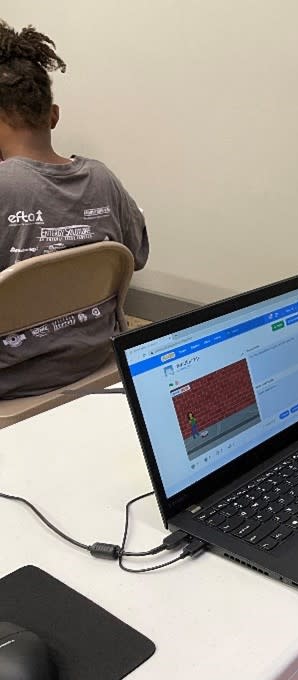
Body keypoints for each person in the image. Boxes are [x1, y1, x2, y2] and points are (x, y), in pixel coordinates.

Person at [0, 21, 149, 399]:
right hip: (97, 364)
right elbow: (138, 254)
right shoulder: (103, 179)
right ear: (53, 115)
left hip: (13, 386)